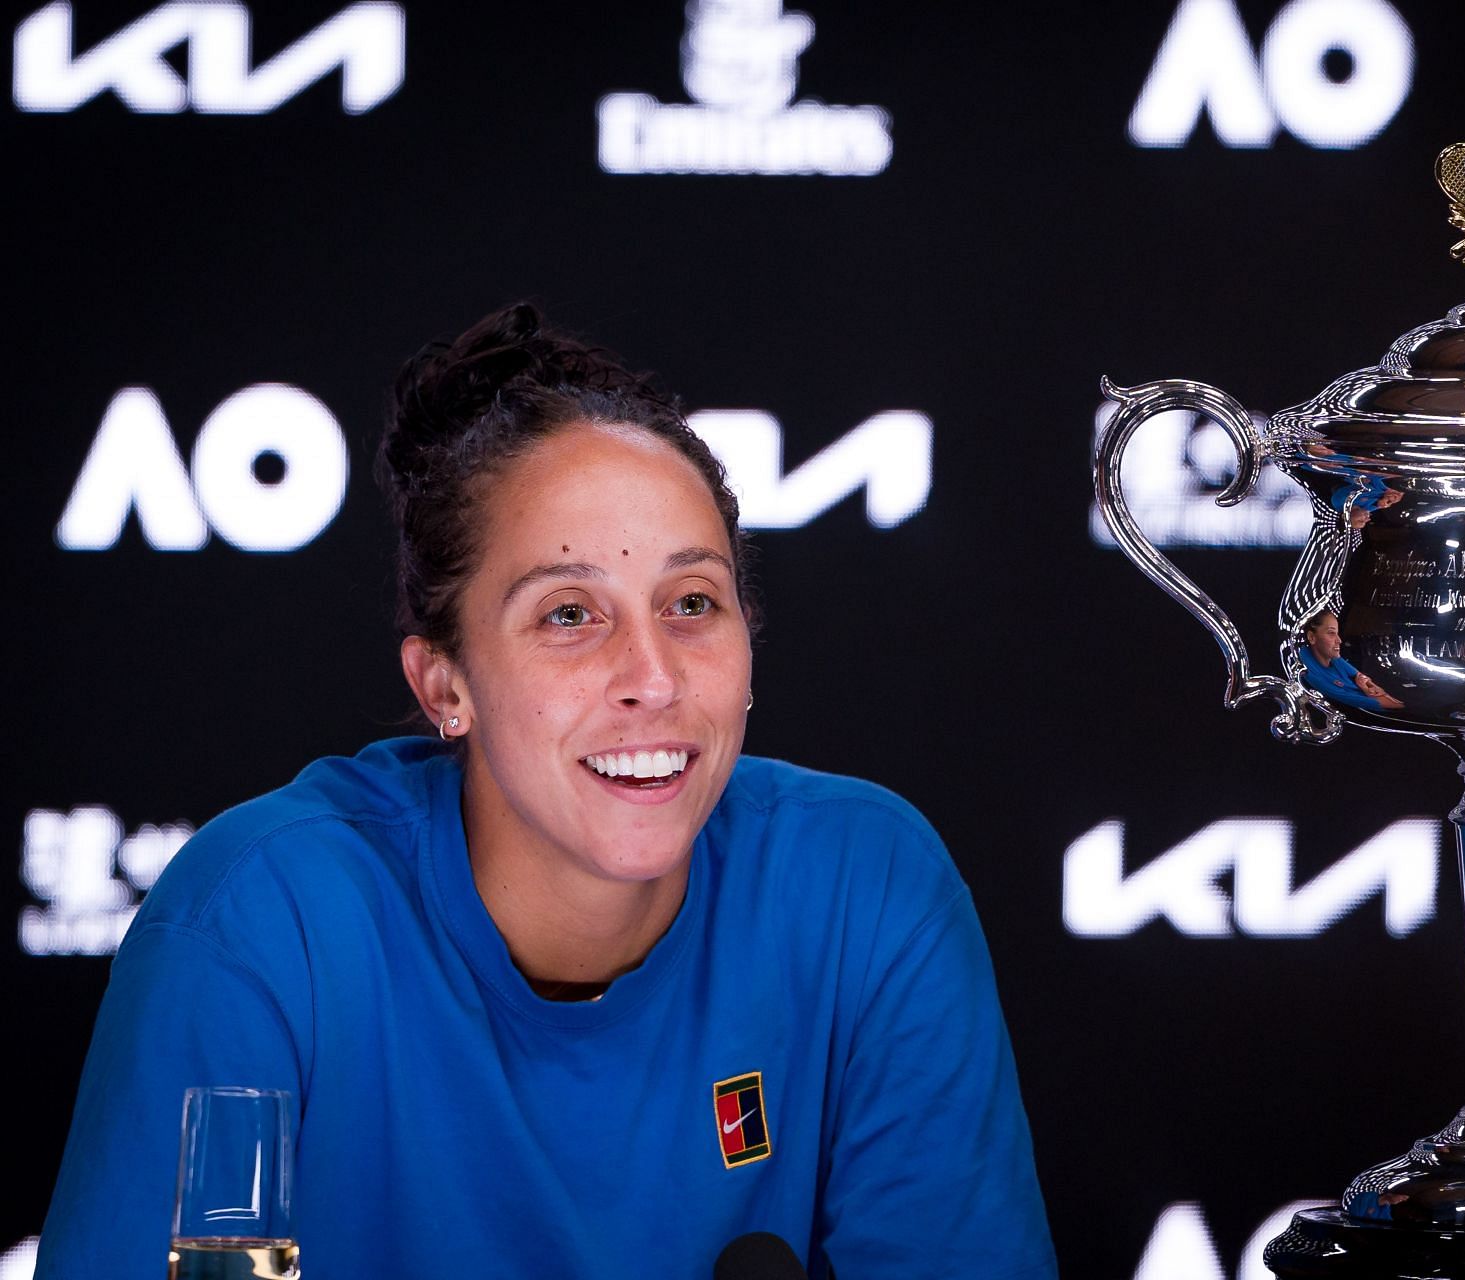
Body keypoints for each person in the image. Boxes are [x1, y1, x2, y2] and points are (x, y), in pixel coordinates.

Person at [36, 305, 1057, 1279]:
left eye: (691, 602)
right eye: (571, 613)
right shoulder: (261, 926)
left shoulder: (868, 890)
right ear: (446, 684)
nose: (653, 677)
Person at [1296, 609, 1405, 712]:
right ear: (1311, 637)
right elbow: (1396, 706)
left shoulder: (1333, 658)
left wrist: (1372, 688)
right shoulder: (1317, 679)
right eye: (1331, 633)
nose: (1339, 640)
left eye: (1337, 633)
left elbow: (1363, 678)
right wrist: (1367, 690)